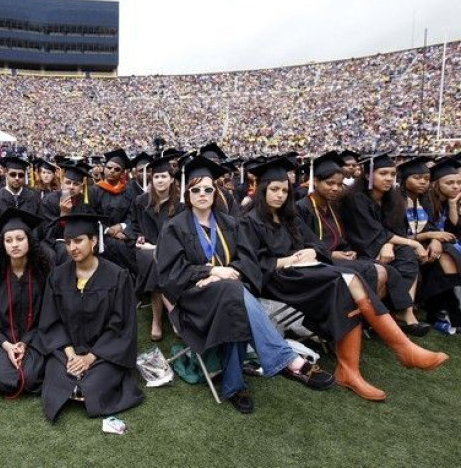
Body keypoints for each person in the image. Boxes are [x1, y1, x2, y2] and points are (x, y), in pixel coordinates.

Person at [241, 156, 448, 402]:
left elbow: (316, 245)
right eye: (274, 189)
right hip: (279, 280)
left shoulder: (290, 217)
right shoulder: (248, 221)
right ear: (263, 189)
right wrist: (288, 260)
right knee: (346, 280)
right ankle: (397, 350)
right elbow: (251, 265)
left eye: (285, 190)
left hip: (306, 272)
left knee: (349, 280)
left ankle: (356, 367)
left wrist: (311, 251)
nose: (280, 195)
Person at [157, 157, 334, 413]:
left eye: (208, 188)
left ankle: (234, 386)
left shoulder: (231, 223)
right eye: (196, 189)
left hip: (230, 295)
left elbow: (249, 261)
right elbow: (169, 274)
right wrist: (211, 271)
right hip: (195, 301)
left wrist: (229, 274)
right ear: (187, 192)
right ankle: (286, 360)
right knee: (233, 293)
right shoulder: (174, 227)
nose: (203, 194)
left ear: (216, 191)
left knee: (232, 296)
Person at [39, 213, 144, 422]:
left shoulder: (117, 276)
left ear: (94, 240)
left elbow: (121, 325)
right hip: (67, 349)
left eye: (78, 241)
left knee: (97, 382)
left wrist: (90, 357)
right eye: (68, 242)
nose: (72, 248)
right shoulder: (57, 276)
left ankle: (82, 386)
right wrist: (70, 354)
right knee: (57, 371)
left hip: (104, 352)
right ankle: (75, 382)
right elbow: (52, 320)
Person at [295, 152, 414, 318]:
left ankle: (385, 315)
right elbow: (303, 242)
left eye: (339, 184)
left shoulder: (333, 206)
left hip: (341, 257)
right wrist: (330, 253)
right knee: (377, 271)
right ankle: (353, 318)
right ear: (315, 181)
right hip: (319, 260)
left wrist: (348, 250)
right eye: (330, 183)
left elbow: (343, 236)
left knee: (388, 270)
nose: (335, 188)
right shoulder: (302, 208)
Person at [339, 153, 431, 336]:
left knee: (406, 255)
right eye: (383, 173)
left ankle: (406, 314)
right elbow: (367, 232)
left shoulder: (393, 199)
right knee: (404, 253)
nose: (389, 178)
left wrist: (389, 243)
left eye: (392, 174)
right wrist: (394, 243)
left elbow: (396, 230)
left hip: (381, 244)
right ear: (368, 175)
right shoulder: (356, 198)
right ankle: (399, 313)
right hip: (360, 247)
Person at [0, 208, 51, 397]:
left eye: (20, 239)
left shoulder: (43, 275)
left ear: (29, 241)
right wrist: (5, 344)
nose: (14, 244)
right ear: (3, 245)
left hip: (34, 340)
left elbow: (49, 316)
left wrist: (26, 342)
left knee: (30, 377)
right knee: (1, 378)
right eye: (9, 240)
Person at [401, 157, 461, 327]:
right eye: (449, 183)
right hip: (410, 246)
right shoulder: (416, 202)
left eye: (458, 182)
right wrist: (433, 237)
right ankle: (443, 313)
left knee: (449, 251)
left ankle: (446, 312)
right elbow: (405, 231)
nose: (455, 186)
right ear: (436, 184)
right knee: (447, 254)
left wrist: (452, 206)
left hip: (431, 245)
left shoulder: (440, 202)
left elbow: (452, 232)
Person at [130, 155, 184, 341]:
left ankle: (158, 319)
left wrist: (158, 247)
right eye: (156, 177)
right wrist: (137, 238)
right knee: (153, 260)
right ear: (151, 179)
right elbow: (134, 225)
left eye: (164, 177)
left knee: (158, 262)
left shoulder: (180, 204)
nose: (160, 180)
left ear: (171, 179)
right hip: (146, 250)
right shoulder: (141, 201)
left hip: (173, 250)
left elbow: (182, 234)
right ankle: (167, 314)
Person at [89, 149, 138, 275]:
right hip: (100, 235)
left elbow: (133, 215)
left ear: (122, 173)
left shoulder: (129, 191)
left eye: (117, 169)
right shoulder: (94, 191)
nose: (112, 171)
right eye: (109, 167)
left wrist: (122, 227)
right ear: (103, 169)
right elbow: (91, 216)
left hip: (124, 234)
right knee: (116, 247)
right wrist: (108, 230)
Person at [39, 163, 95, 265]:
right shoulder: (49, 200)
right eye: (68, 182)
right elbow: (47, 233)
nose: (71, 187)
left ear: (81, 186)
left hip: (79, 239)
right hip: (56, 241)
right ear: (62, 182)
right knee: (66, 252)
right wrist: (63, 214)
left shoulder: (85, 202)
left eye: (76, 184)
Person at [0, 157, 41, 224]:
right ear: (6, 173)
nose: (17, 178)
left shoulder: (32, 197)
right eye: (13, 174)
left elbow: (36, 226)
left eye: (21, 175)